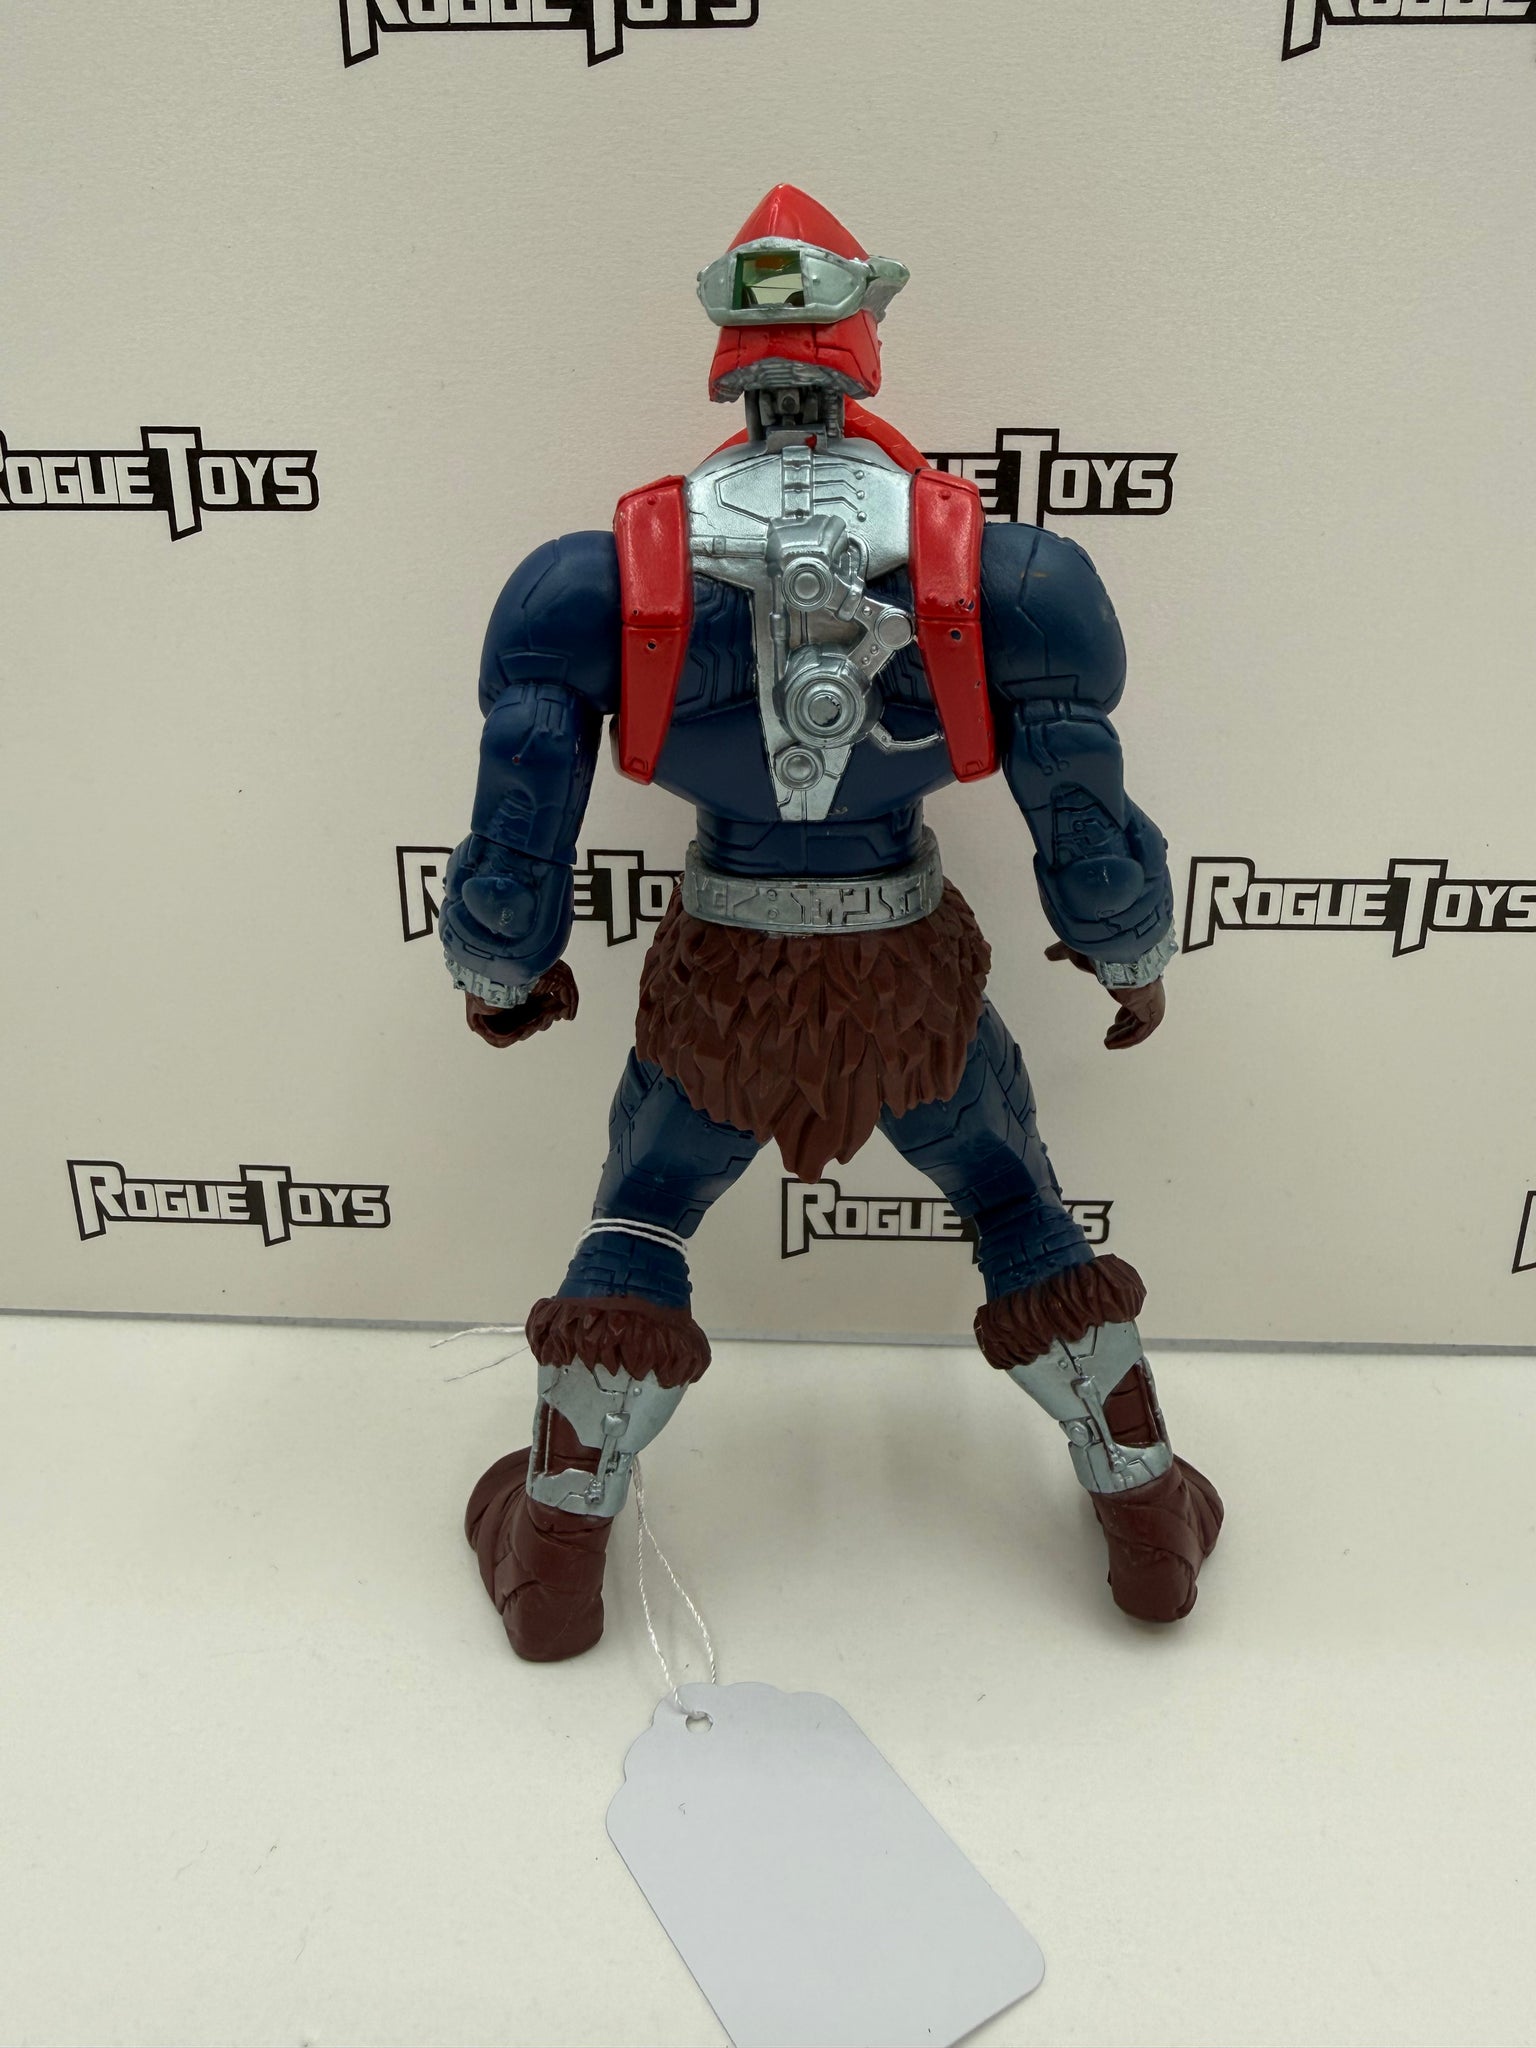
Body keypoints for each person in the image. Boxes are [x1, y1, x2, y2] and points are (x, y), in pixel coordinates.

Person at [440, 186, 1222, 1662]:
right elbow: (1083, 819)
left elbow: (519, 819)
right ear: (863, 344)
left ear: (727, 358)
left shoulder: (594, 579)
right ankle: (1145, 1523)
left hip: (721, 980)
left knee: (637, 1220)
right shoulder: (1011, 574)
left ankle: (554, 1558)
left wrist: (499, 971)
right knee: (1019, 1210)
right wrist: (1131, 959)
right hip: (910, 975)